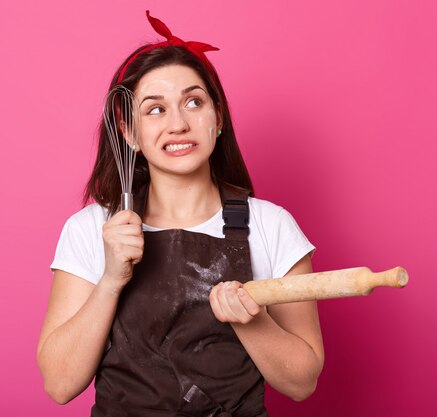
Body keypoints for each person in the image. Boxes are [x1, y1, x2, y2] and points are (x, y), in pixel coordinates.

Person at [37, 11, 324, 417]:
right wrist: (111, 279)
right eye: (155, 109)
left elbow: (302, 382)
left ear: (218, 118)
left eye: (194, 102)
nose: (178, 123)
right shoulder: (91, 229)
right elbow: (60, 384)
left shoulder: (271, 226)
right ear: (129, 132)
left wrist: (249, 321)